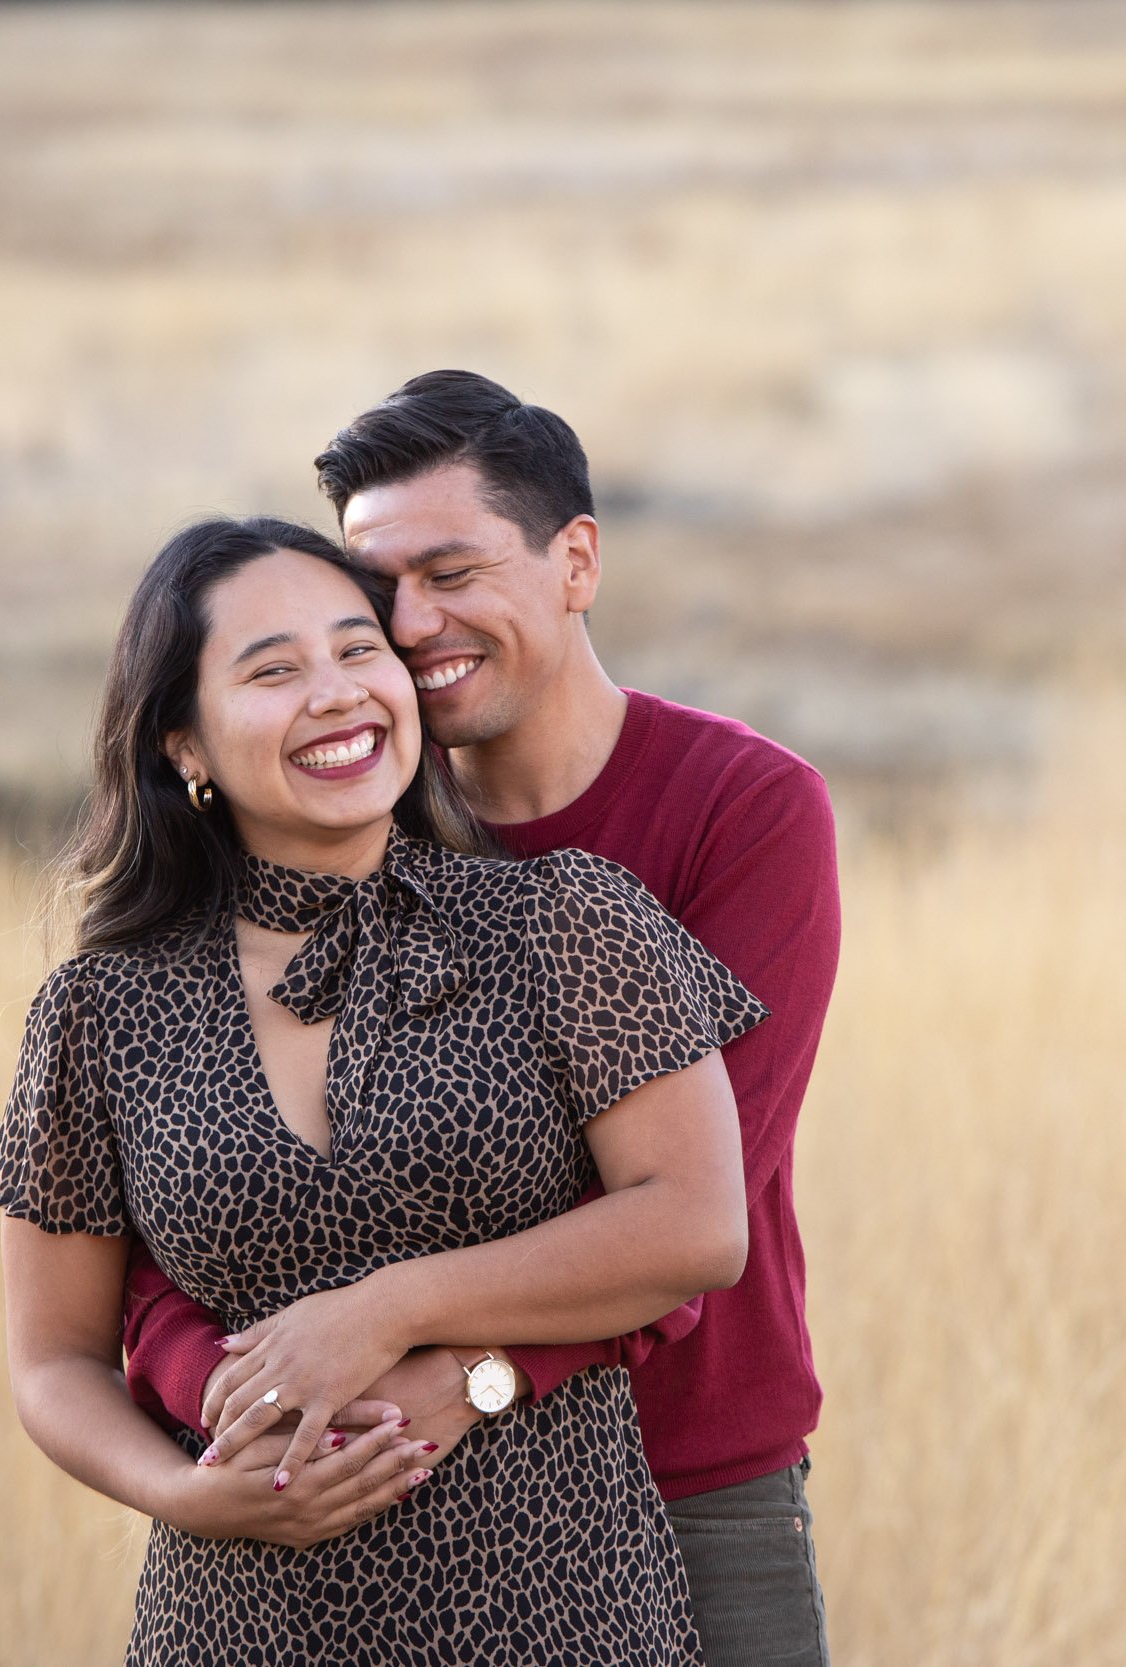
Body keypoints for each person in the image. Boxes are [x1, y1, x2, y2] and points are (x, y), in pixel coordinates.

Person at [124, 372, 844, 1666]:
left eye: (451, 570)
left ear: (577, 560)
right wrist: (228, 1400)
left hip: (687, 1477)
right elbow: (202, 1201)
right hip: (369, 1499)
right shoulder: (342, 825)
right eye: (376, 587)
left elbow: (691, 1204)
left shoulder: (745, 811)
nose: (410, 624)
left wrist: (456, 1364)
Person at [0, 514, 769, 1665]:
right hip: (238, 1622)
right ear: (182, 744)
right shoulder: (102, 1009)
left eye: (361, 651)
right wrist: (182, 1491)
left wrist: (382, 1308)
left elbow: (697, 1227)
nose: (339, 692)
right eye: (273, 669)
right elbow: (52, 1358)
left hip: (559, 1612)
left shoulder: (566, 920)